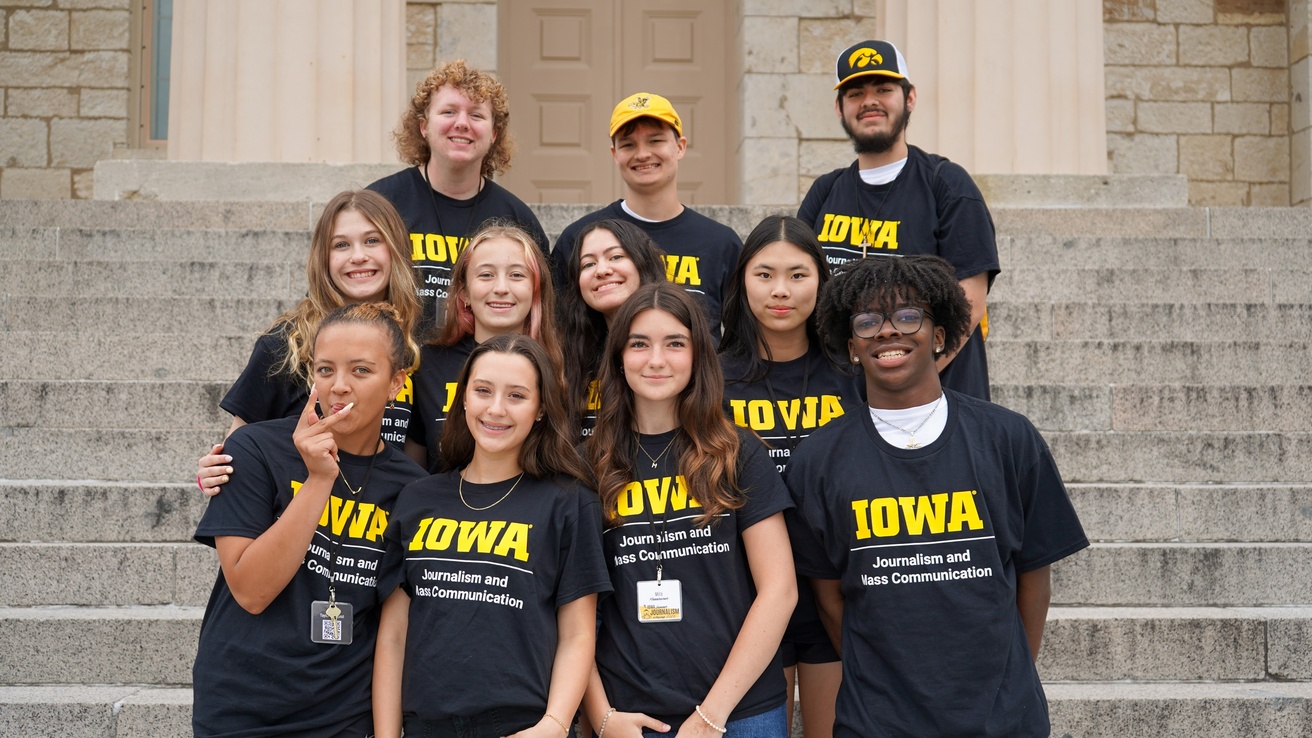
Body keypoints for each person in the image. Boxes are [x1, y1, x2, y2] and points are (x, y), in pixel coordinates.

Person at [786, 255, 1088, 738]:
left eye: (908, 316)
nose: (887, 331)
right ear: (851, 345)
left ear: (941, 335)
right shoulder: (817, 459)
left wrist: (1007, 676)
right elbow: (828, 599)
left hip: (1002, 718)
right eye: (868, 321)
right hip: (877, 720)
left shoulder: (1009, 438)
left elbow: (1034, 579)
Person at [192, 303, 427, 737]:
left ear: (396, 383)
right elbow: (250, 590)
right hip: (242, 705)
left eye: (360, 371)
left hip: (343, 713)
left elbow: (395, 626)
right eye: (325, 370)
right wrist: (319, 479)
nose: (339, 386)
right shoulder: (255, 448)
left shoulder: (413, 489)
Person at [582, 282, 796, 737]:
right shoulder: (586, 465)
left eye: (674, 344)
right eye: (639, 344)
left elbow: (780, 590)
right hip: (629, 717)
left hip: (740, 713)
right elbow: (571, 611)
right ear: (618, 357)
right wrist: (601, 716)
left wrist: (711, 715)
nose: (656, 360)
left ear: (699, 355)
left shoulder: (739, 453)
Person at [374, 333, 610, 738]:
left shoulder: (568, 501)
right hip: (425, 726)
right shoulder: (417, 498)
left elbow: (578, 633)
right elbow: (394, 634)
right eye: (483, 391)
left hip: (523, 725)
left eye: (517, 396)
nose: (496, 409)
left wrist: (553, 726)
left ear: (540, 409)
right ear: (463, 397)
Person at [717, 215, 863, 738]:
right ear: (741, 282)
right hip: (748, 598)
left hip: (835, 589)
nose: (781, 291)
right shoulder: (713, 377)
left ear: (822, 281)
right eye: (765, 274)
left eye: (798, 275)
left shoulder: (852, 373)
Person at [797, 40, 998, 400]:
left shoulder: (947, 185)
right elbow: (800, 290)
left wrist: (898, 385)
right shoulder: (824, 193)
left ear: (909, 98)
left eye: (884, 89)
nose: (869, 101)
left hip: (939, 401)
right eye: (855, 92)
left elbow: (969, 307)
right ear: (840, 108)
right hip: (847, 405)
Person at [197, 190, 423, 494]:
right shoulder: (287, 342)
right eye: (341, 244)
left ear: (395, 249)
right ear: (324, 258)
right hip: (295, 510)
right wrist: (212, 473)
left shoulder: (416, 342)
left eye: (372, 240)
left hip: (374, 522)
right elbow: (238, 446)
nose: (358, 256)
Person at [369, 59, 549, 331]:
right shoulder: (381, 204)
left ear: (493, 134)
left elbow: (543, 314)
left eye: (476, 115)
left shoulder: (517, 219)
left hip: (485, 369)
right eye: (449, 112)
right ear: (424, 127)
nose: (462, 124)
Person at [550, 93, 740, 338]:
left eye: (655, 141)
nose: (642, 154)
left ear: (680, 147)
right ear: (614, 154)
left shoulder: (721, 243)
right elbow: (556, 329)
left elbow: (742, 341)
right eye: (628, 144)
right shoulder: (581, 238)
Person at [406, 221, 563, 471]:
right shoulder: (427, 364)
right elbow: (414, 466)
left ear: (536, 289)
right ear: (464, 292)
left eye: (517, 275)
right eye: (486, 274)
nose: (501, 288)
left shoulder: (562, 364)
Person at [556, 218, 667, 437]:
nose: (602, 270)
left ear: (642, 263)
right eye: (588, 264)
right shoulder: (567, 357)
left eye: (616, 257)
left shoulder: (682, 341)